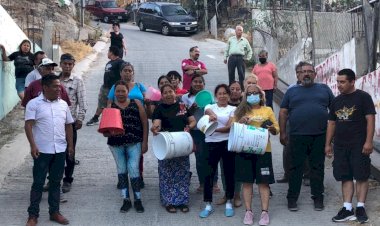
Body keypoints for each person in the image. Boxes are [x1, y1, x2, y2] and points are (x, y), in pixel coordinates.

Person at [279, 62, 334, 212]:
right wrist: (283, 133)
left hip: (320, 135)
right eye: (303, 72)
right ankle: (292, 199)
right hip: (297, 136)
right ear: (297, 75)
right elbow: (283, 112)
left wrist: (332, 136)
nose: (306, 74)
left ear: (315, 74)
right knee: (295, 168)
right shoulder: (291, 91)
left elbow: (334, 111)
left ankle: (318, 198)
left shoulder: (324, 89)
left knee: (317, 168)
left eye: (310, 71)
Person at [325, 69, 376, 224]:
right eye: (337, 82)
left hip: (359, 145)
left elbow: (370, 120)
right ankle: (347, 208)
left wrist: (368, 141)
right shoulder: (336, 100)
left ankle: (360, 207)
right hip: (340, 145)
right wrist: (327, 144)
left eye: (342, 82)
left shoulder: (363, 98)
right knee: (345, 176)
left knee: (361, 175)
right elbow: (332, 123)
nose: (338, 85)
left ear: (352, 81)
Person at [24, 74, 74, 226]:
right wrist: (33, 145)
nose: (59, 89)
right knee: (38, 183)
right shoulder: (34, 104)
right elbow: (28, 125)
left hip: (60, 149)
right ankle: (33, 215)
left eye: (59, 86)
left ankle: (55, 212)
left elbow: (68, 125)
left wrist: (70, 145)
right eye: (55, 86)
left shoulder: (63, 104)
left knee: (55, 182)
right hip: (42, 150)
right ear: (45, 87)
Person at [234, 84, 279, 225]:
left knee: (263, 182)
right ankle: (248, 212)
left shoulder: (268, 110)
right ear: (245, 97)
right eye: (249, 93)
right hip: (245, 151)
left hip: (264, 151)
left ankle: (264, 213)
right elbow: (233, 129)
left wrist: (272, 128)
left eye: (255, 93)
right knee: (247, 182)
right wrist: (240, 122)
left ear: (260, 95)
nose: (252, 95)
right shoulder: (240, 111)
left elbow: (276, 128)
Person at [104, 80, 148, 213]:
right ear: (114, 92)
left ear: (128, 92)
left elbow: (145, 123)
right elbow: (104, 131)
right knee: (121, 170)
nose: (121, 93)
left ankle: (138, 199)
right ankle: (126, 200)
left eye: (123, 91)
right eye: (118, 91)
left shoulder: (137, 103)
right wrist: (108, 132)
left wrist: (145, 142)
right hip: (116, 144)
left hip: (134, 142)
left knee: (134, 169)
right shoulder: (110, 106)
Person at [151, 84, 196, 213]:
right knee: (166, 174)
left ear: (175, 92)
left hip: (182, 143)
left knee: (182, 173)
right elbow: (157, 124)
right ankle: (169, 201)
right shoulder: (159, 108)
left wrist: (189, 127)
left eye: (170, 91)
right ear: (162, 95)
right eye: (165, 93)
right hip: (166, 145)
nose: (168, 94)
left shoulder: (182, 106)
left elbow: (192, 121)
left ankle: (182, 201)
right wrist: (155, 129)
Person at [106, 62, 147, 188]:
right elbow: (109, 104)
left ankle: (138, 176)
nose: (127, 72)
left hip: (137, 121)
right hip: (120, 122)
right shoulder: (115, 87)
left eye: (130, 70)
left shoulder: (140, 86)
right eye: (125, 70)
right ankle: (122, 177)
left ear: (133, 73)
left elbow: (148, 100)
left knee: (136, 153)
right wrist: (110, 123)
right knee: (121, 152)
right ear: (121, 73)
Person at [199, 84, 236, 218]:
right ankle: (208, 204)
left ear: (228, 95)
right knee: (209, 173)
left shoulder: (233, 109)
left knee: (228, 172)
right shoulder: (210, 106)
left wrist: (213, 130)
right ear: (216, 96)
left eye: (225, 93)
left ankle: (229, 201)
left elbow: (229, 126)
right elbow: (208, 112)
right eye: (219, 93)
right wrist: (213, 115)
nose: (222, 96)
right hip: (210, 144)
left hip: (227, 143)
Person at [181, 75, 219, 194]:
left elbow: (214, 111)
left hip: (208, 130)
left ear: (204, 84)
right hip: (195, 132)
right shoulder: (185, 97)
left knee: (212, 156)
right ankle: (202, 183)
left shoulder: (208, 97)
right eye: (195, 82)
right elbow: (183, 114)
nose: (198, 84)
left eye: (200, 82)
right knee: (199, 157)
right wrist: (191, 109)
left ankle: (214, 183)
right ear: (191, 83)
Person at [58, 53, 87, 193]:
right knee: (54, 152)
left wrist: (80, 118)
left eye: (70, 64)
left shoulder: (77, 81)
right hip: (54, 123)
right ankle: (52, 179)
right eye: (65, 64)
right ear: (60, 64)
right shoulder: (54, 80)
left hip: (70, 124)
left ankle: (67, 180)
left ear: (73, 65)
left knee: (70, 152)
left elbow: (82, 102)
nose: (68, 66)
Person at [277, 62, 310, 185]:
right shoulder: (291, 89)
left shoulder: (316, 88)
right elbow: (284, 109)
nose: (301, 74)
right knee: (288, 150)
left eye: (303, 72)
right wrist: (283, 129)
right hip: (292, 125)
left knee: (307, 151)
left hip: (309, 126)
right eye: (298, 72)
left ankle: (307, 175)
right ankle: (288, 174)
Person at [216, 81, 243, 207]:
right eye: (232, 88)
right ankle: (227, 193)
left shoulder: (245, 104)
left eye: (238, 89)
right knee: (223, 169)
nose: (235, 91)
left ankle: (237, 194)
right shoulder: (222, 105)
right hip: (224, 140)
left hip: (238, 140)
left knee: (237, 168)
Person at [86, 46, 124, 126]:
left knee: (114, 105)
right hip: (105, 87)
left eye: (108, 51)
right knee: (101, 104)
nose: (107, 53)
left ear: (112, 52)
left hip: (113, 88)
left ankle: (115, 120)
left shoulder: (120, 62)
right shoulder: (110, 62)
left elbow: (124, 71)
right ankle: (96, 118)